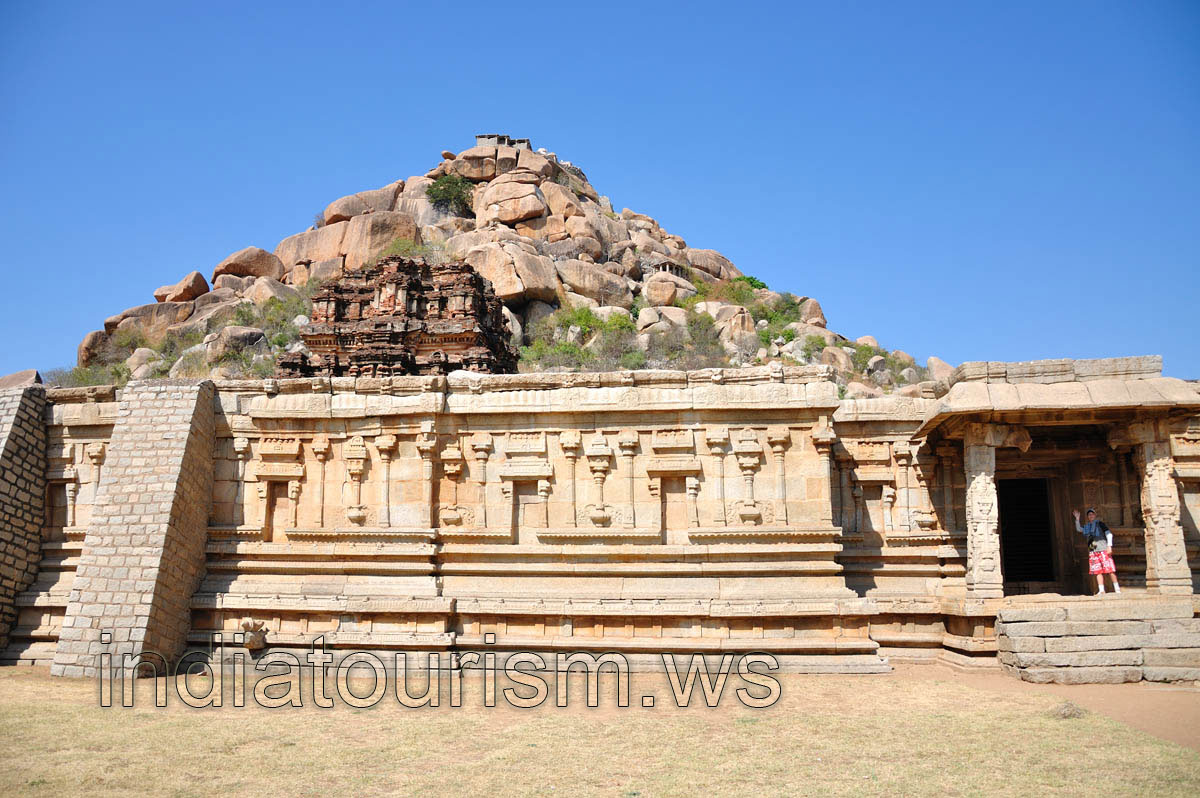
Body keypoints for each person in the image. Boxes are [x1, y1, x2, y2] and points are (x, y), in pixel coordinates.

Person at [1073, 508, 1120, 595]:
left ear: (1095, 515)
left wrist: (1109, 546)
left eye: (1092, 514)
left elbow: (1109, 534)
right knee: (1097, 571)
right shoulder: (1087, 527)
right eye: (1089, 515)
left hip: (1103, 549)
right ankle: (1101, 590)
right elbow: (1079, 529)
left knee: (1110, 569)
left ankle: (1117, 589)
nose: (1091, 516)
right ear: (1088, 517)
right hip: (1093, 550)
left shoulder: (1100, 524)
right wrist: (1077, 519)